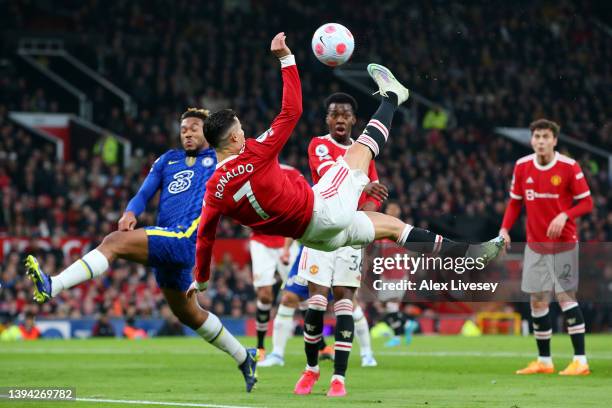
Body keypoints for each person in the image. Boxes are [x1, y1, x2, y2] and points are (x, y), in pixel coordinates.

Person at [191, 32, 503, 397]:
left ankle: (472, 253)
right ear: (232, 140)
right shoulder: (256, 152)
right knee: (358, 154)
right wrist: (286, 60)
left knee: (393, 228)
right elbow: (291, 110)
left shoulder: (213, 190)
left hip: (315, 235)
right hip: (321, 210)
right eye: (241, 130)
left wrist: (204, 279)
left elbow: (206, 236)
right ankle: (392, 98)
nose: (246, 132)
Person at [25, 108, 258, 392]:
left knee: (113, 243)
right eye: (184, 128)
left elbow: (245, 156)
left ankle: (53, 285)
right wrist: (130, 212)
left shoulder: (218, 158)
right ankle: (243, 357)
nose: (187, 132)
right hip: (168, 245)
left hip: (184, 238)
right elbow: (144, 192)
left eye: (194, 128)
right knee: (189, 314)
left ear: (207, 133)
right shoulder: (167, 160)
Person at [500, 119, 593, 376]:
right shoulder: (522, 166)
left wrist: (566, 215)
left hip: (563, 244)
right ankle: (544, 361)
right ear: (532, 140)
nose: (540, 141)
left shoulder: (568, 167)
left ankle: (580, 361)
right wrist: (504, 229)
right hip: (535, 245)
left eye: (545, 137)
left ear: (554, 140)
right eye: (536, 137)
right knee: (538, 300)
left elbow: (587, 203)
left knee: (565, 297)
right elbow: (515, 203)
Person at [249, 165, 301, 357]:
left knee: (300, 292)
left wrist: (287, 247)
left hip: (287, 240)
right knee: (264, 295)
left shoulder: (292, 173)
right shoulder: (251, 173)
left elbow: (301, 205)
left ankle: (319, 345)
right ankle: (261, 346)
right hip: (261, 241)